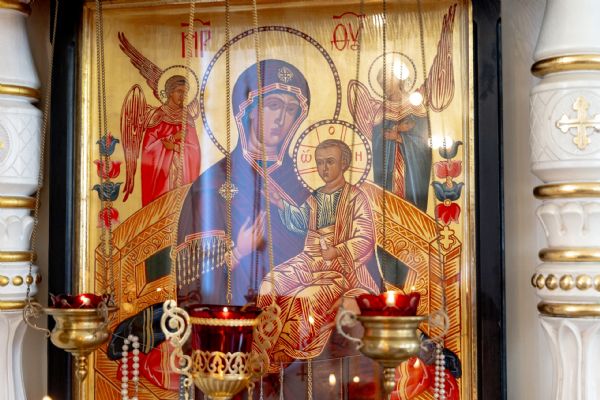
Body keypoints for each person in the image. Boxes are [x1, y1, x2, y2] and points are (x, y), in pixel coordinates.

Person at [108, 60, 313, 392]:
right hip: (225, 351)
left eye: (291, 110)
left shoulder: (303, 191)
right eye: (273, 104)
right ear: (248, 109)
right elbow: (191, 281)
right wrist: (238, 251)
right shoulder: (212, 185)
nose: (281, 118)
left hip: (295, 349)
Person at [257, 139, 380, 372]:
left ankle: (289, 353)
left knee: (306, 297)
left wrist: (337, 250)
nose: (324, 168)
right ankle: (263, 348)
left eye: (330, 162)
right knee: (269, 283)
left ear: (344, 164)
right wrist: (281, 204)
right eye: (320, 162)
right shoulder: (316, 196)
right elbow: (300, 220)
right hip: (309, 260)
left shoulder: (355, 197)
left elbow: (365, 239)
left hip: (340, 270)